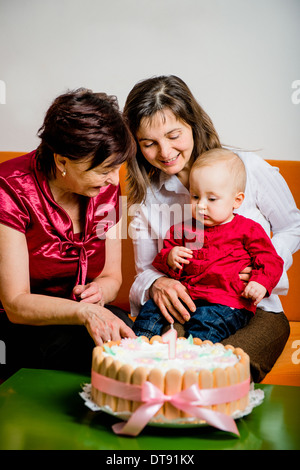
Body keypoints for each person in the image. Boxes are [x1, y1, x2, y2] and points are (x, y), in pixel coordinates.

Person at [123, 75, 300, 382]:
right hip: (186, 303)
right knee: (154, 362)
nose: (164, 152)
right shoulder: (149, 196)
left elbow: (293, 225)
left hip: (257, 310)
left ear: (193, 123)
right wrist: (157, 284)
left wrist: (262, 269)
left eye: (173, 135)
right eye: (149, 143)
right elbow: (145, 270)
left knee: (221, 371)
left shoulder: (246, 167)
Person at [0, 88, 136, 379]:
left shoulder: (107, 189)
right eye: (104, 170)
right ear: (62, 162)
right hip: (20, 326)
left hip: (81, 320)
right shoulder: (8, 189)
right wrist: (85, 313)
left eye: (117, 167)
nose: (115, 179)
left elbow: (113, 276)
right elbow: (15, 304)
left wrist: (100, 292)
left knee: (123, 335)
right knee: (92, 351)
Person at [133, 148, 284, 342]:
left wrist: (259, 281)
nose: (201, 205)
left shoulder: (248, 229)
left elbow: (270, 259)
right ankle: (139, 342)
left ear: (237, 201)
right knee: (152, 308)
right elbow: (164, 263)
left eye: (211, 199)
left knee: (207, 322)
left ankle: (197, 354)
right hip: (190, 295)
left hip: (228, 301)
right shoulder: (182, 229)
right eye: (195, 197)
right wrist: (170, 257)